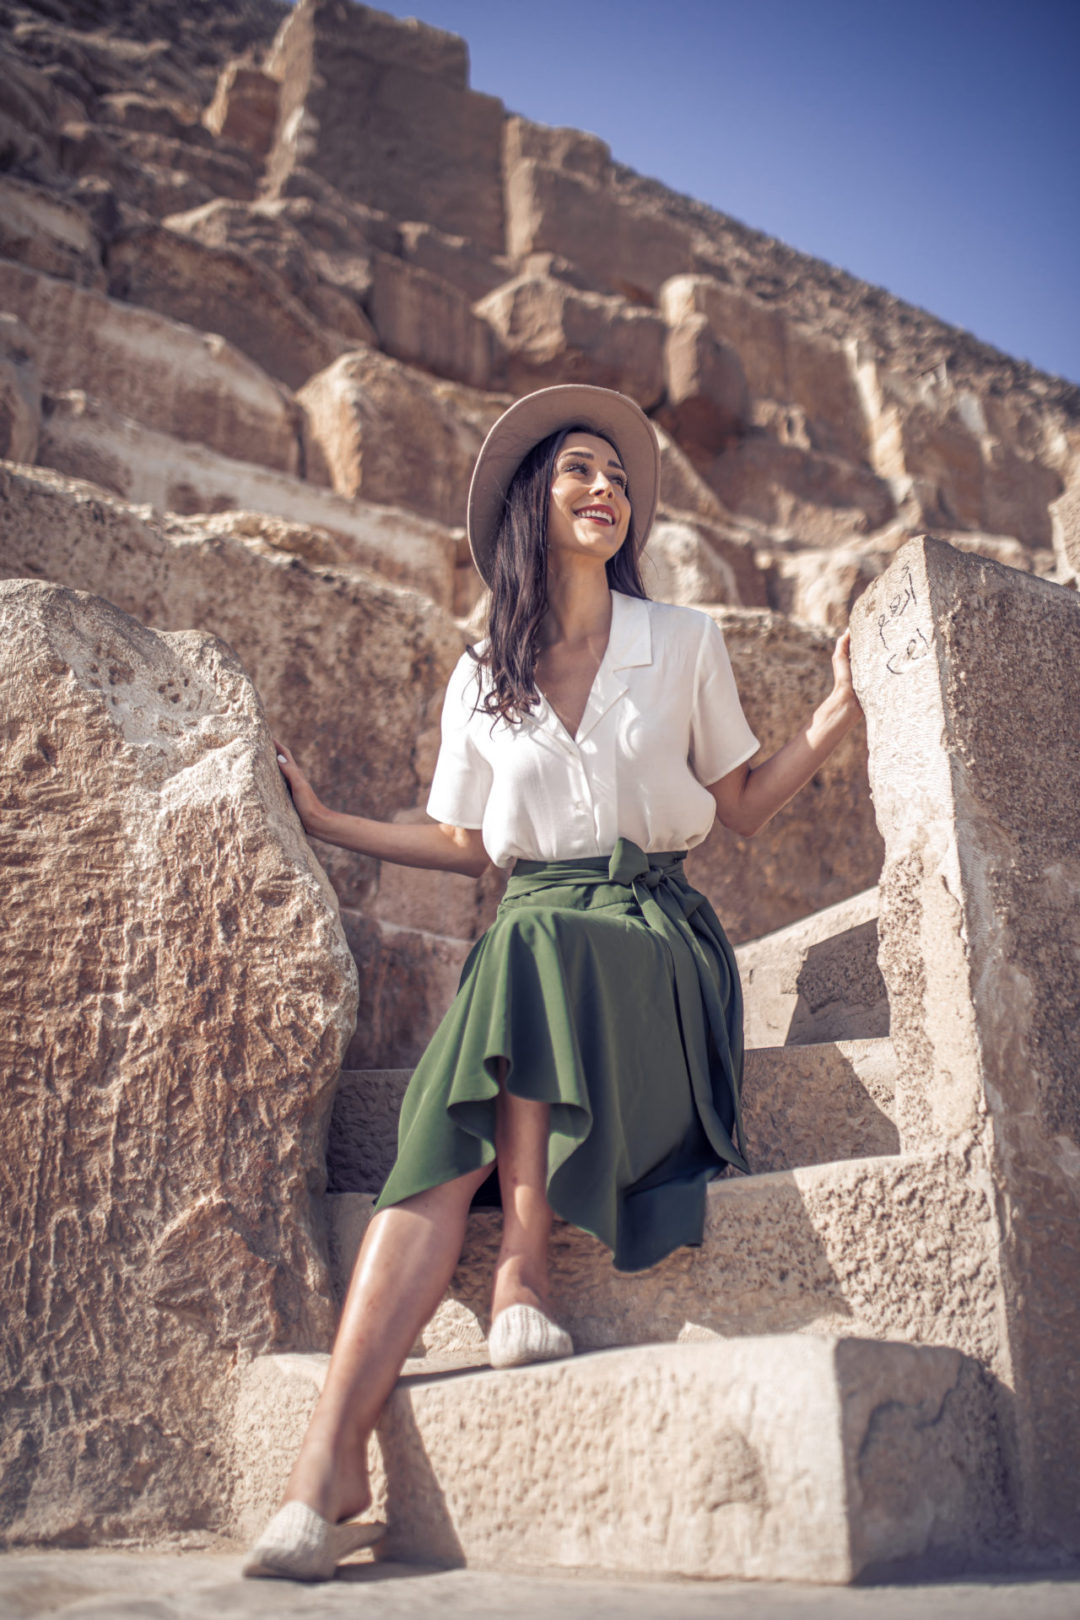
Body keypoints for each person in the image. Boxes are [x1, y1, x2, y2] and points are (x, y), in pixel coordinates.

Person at [243, 384, 863, 1581]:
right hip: (535, 939)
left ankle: (525, 1258)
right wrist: (329, 822)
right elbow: (468, 845)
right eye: (582, 471)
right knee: (440, 1133)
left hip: (654, 939)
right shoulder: (482, 673)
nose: (606, 490)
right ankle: (326, 1465)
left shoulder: (683, 641)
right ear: (537, 501)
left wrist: (836, 710)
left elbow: (737, 806)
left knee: (530, 950)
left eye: (619, 479)